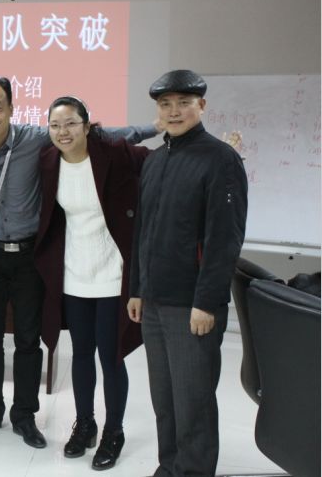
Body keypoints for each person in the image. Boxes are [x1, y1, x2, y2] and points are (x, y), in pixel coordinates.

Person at [0, 76, 158, 449]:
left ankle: (25, 416)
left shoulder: (38, 139)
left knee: (29, 339)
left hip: (29, 255)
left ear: (12, 108)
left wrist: (155, 127)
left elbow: (111, 135)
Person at [127, 70, 248, 477]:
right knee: (164, 400)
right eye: (166, 104)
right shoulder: (155, 160)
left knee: (193, 402)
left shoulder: (220, 159)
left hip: (192, 305)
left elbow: (225, 239)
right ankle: (169, 468)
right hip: (155, 302)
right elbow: (143, 230)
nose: (174, 111)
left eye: (183, 103)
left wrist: (207, 302)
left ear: (202, 105)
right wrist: (137, 289)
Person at [34, 96, 148, 470]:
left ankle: (114, 431)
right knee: (81, 353)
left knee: (111, 356)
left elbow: (159, 162)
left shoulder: (114, 153)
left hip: (113, 272)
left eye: (70, 123)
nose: (62, 132)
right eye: (55, 125)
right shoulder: (48, 161)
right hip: (74, 273)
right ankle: (85, 424)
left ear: (86, 125)